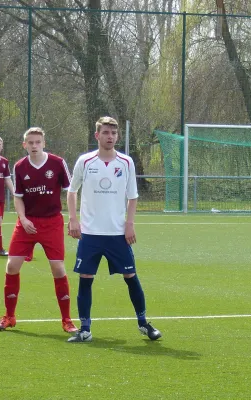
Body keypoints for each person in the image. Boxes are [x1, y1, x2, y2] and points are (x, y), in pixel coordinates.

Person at [67, 116, 161, 343]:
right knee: (85, 277)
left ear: (117, 136)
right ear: (97, 135)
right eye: (106, 133)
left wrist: (129, 224)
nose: (110, 137)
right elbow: (72, 191)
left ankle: (143, 323)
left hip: (118, 234)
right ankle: (85, 329)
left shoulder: (126, 162)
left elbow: (133, 197)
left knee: (131, 276)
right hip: (90, 233)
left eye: (114, 133)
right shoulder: (85, 161)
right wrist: (73, 219)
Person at [0, 127, 77, 333]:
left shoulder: (57, 163)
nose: (34, 145)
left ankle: (67, 320)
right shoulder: (20, 166)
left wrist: (73, 218)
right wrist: (22, 218)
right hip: (27, 224)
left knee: (58, 269)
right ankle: (9, 316)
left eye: (37, 142)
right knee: (12, 266)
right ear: (24, 145)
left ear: (44, 143)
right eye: (30, 142)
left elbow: (71, 191)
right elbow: (18, 196)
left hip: (51, 223)